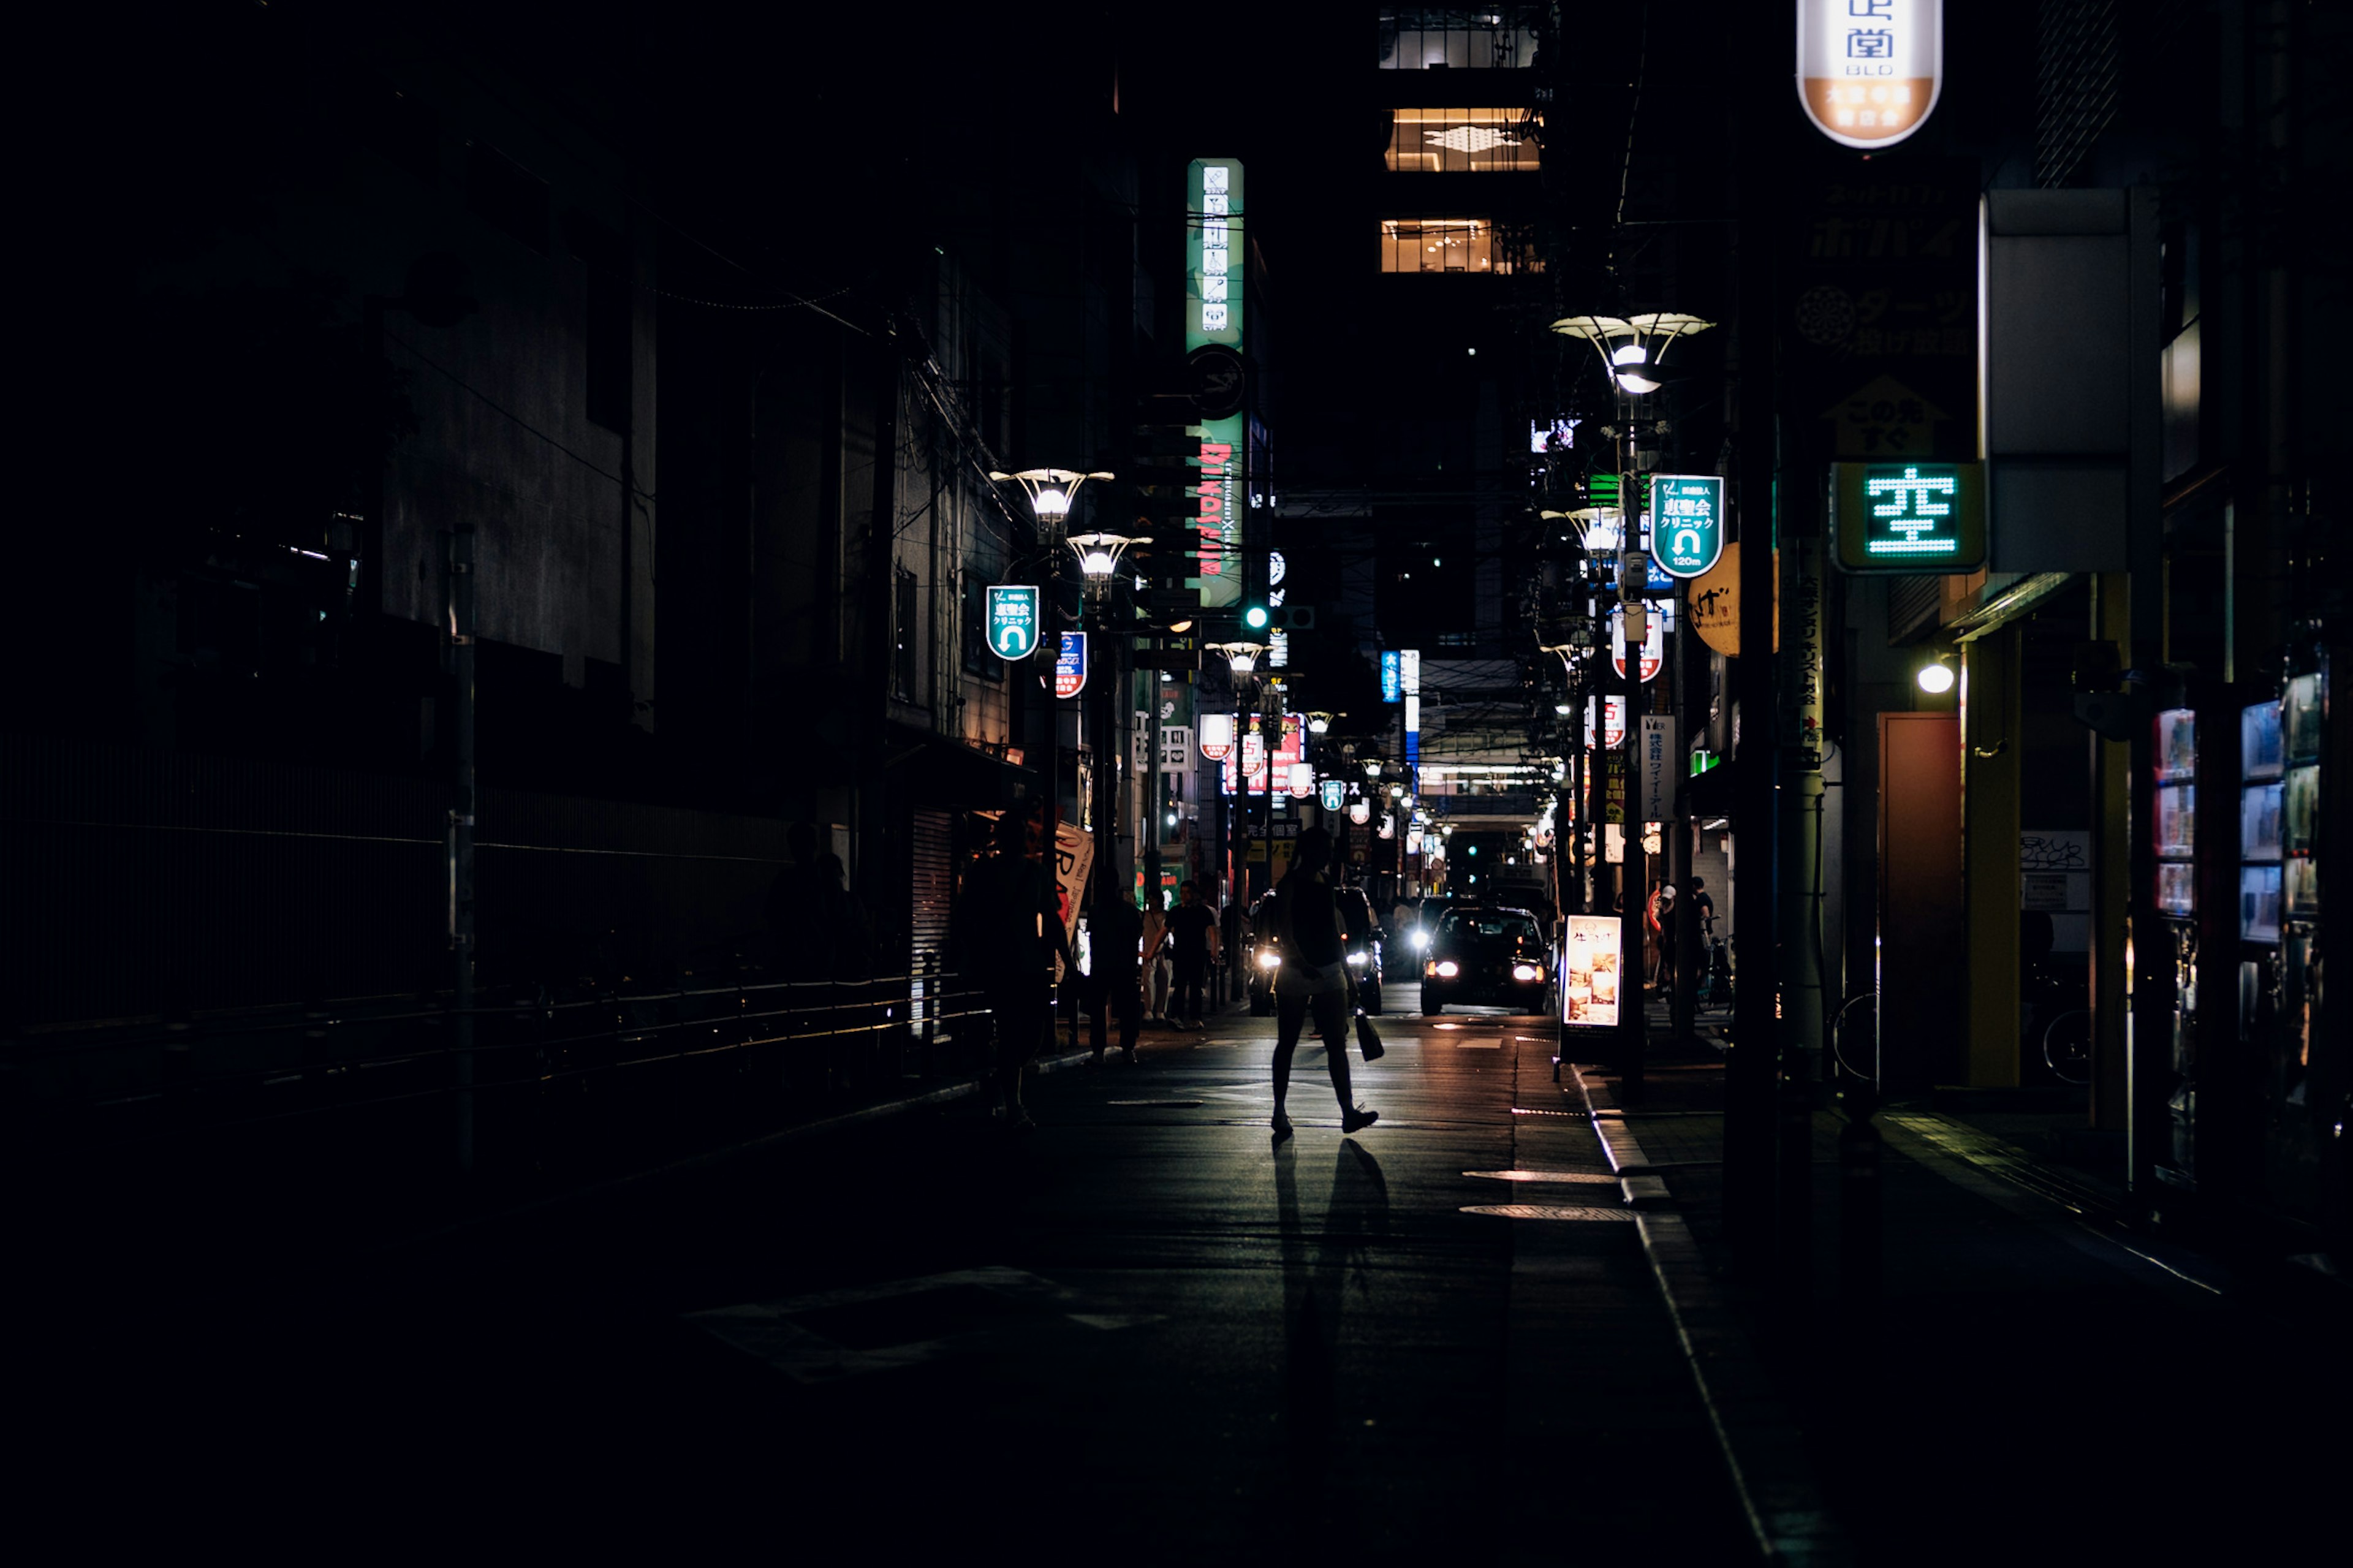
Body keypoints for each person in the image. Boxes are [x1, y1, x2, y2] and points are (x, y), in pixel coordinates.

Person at [958, 807, 1070, 1131]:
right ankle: (1014, 1104)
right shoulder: (987, 872)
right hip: (1001, 963)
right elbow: (966, 916)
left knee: (1033, 1033)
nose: (1025, 839)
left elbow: (1051, 920)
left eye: (1027, 833)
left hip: (1028, 962)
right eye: (1021, 833)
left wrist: (1067, 961)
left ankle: (1001, 1080)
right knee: (1011, 1032)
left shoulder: (1036, 874)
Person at [1268, 826, 1377, 1139]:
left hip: (1328, 969)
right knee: (1287, 1043)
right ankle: (1279, 1110)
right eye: (1325, 849)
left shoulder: (1326, 881)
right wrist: (1301, 961)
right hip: (1295, 970)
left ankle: (1347, 1111)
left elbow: (1332, 930)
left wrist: (1346, 972)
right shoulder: (1289, 883)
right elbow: (1285, 930)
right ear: (1310, 850)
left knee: (1336, 1045)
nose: (1330, 856)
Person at [1086, 874, 1143, 1065]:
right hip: (1124, 965)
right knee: (1127, 1009)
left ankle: (1099, 1051)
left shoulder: (1096, 911)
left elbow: (1093, 938)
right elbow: (1136, 937)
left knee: (1098, 1010)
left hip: (1102, 965)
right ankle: (1127, 1049)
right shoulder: (1129, 911)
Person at [1165, 880, 1219, 1029]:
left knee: (1196, 987)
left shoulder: (1203, 911)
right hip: (1180, 954)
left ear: (1194, 894)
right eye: (1182, 892)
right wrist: (1151, 950)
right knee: (1180, 986)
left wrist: (1214, 950)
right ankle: (1177, 1017)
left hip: (1197, 954)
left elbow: (1212, 931)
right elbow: (1164, 931)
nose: (1184, 895)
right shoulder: (1175, 912)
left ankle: (1195, 1018)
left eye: (1187, 892)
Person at [1140, 891, 1172, 1024]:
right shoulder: (1144, 916)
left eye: (1154, 899)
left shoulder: (1166, 916)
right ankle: (1150, 1009)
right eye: (1150, 899)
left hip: (1162, 952)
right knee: (1148, 981)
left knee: (1163, 981)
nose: (1151, 902)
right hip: (1148, 952)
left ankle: (1159, 1010)